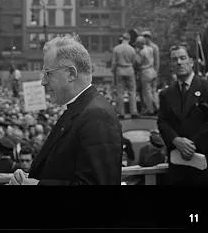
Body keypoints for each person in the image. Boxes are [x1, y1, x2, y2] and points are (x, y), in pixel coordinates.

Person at [9, 34, 123, 185]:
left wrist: (37, 185)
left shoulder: (97, 116)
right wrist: (29, 177)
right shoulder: (80, 109)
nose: (43, 82)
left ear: (71, 73)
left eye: (48, 73)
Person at [157, 43, 208, 186]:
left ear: (191, 62)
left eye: (182, 58)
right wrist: (176, 140)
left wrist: (191, 145)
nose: (179, 62)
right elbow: (162, 122)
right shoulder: (165, 94)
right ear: (171, 65)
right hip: (178, 164)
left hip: (205, 161)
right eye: (175, 59)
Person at [111, 32, 138, 119]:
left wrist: (113, 71)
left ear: (122, 38)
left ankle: (121, 113)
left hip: (120, 69)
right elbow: (134, 61)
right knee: (132, 91)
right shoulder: (132, 49)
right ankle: (133, 112)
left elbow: (114, 62)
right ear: (129, 39)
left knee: (120, 92)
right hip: (129, 69)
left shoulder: (116, 49)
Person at [134, 35, 158, 116]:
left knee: (147, 93)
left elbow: (138, 62)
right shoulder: (150, 49)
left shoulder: (141, 52)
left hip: (145, 72)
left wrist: (136, 53)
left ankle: (150, 110)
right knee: (153, 91)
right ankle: (157, 106)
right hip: (152, 71)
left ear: (140, 44)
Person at [142, 30, 160, 110]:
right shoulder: (152, 47)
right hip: (152, 71)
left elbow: (157, 61)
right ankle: (155, 107)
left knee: (149, 91)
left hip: (150, 71)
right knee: (152, 91)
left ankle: (152, 108)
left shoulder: (153, 47)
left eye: (146, 37)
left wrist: (156, 71)